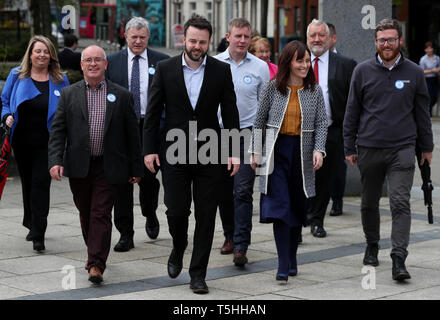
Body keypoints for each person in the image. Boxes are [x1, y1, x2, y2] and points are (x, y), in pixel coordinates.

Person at [143, 14, 239, 294]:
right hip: (174, 150)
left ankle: (198, 273)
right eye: (193, 41)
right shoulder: (165, 68)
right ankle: (178, 246)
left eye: (203, 42)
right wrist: (148, 150)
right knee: (176, 210)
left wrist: (234, 151)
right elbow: (152, 113)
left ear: (210, 42)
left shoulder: (221, 71)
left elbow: (230, 112)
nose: (197, 46)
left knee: (207, 214)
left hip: (211, 151)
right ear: (184, 40)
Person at [344, 19, 434, 281]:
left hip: (402, 149)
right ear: (375, 42)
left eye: (391, 39)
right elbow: (352, 112)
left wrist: (426, 148)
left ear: (400, 41)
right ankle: (372, 245)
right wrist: (349, 145)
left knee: (400, 202)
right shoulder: (361, 71)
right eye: (382, 40)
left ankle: (398, 257)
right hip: (369, 148)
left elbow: (422, 114)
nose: (386, 44)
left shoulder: (415, 72)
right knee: (369, 202)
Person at [48, 45, 143, 284]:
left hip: (109, 166)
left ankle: (96, 264)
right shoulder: (69, 94)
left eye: (97, 60)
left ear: (105, 64)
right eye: (88, 60)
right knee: (86, 213)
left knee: (100, 213)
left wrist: (135, 168)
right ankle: (94, 252)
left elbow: (133, 135)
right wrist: (55, 160)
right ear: (81, 65)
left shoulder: (122, 95)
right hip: (79, 165)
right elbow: (58, 130)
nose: (93, 64)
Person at [250, 40, 327, 281]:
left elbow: (322, 123)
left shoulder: (314, 91)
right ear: (288, 63)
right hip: (276, 152)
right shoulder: (273, 87)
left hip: (302, 154)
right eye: (299, 61)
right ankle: (282, 264)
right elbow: (259, 121)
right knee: (280, 207)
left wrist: (319, 150)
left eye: (306, 61)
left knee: (297, 207)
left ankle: (292, 256)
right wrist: (255, 150)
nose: (305, 65)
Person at [106, 17, 169, 252]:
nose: (138, 41)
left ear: (148, 37)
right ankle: (125, 234)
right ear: (125, 36)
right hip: (121, 130)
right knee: (122, 184)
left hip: (150, 128)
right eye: (134, 37)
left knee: (150, 180)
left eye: (142, 37)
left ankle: (150, 213)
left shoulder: (162, 62)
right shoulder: (112, 63)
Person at [1, 35, 69, 252]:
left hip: (48, 142)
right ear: (30, 54)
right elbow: (4, 102)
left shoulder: (60, 79)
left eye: (46, 51)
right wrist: (6, 117)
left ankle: (39, 232)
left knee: (41, 183)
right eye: (37, 51)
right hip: (21, 141)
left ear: (51, 56)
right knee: (28, 183)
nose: (41, 55)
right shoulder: (17, 75)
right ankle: (30, 221)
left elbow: (68, 109)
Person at [214, 18, 270, 266]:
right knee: (223, 191)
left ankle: (241, 245)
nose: (242, 41)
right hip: (219, 134)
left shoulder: (260, 67)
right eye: (238, 36)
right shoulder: (214, 63)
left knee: (243, 190)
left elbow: (265, 107)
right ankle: (229, 235)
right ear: (228, 36)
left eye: (246, 36)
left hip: (248, 134)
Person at [306, 19, 356, 238]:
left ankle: (317, 220)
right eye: (313, 35)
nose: (317, 39)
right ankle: (301, 217)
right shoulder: (298, 61)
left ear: (329, 38)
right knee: (300, 177)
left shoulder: (345, 64)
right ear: (307, 38)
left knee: (325, 178)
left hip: (331, 130)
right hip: (300, 131)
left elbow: (353, 100)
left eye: (321, 35)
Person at [326, 22, 347, 217]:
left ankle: (337, 200)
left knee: (337, 166)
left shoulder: (344, 63)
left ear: (333, 38)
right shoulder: (308, 61)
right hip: (313, 126)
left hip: (337, 124)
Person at [419, 41, 440, 117]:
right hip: (427, 79)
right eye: (427, 48)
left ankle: (428, 111)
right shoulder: (423, 59)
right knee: (429, 97)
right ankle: (429, 113)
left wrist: (437, 71)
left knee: (435, 97)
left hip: (435, 79)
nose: (429, 50)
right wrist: (432, 70)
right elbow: (421, 71)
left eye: (430, 48)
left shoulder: (437, 58)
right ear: (425, 50)